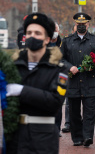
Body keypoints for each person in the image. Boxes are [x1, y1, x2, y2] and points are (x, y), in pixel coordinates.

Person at [6, 13, 68, 154]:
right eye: (29, 33)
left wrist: (22, 91)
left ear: (47, 39)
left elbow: (55, 101)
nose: (32, 36)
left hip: (43, 139)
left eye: (37, 33)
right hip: (14, 137)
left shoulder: (58, 69)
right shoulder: (14, 65)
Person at [60, 13, 95, 147]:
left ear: (88, 25)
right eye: (79, 24)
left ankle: (87, 136)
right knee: (74, 112)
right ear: (75, 25)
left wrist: (94, 65)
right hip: (74, 82)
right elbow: (61, 59)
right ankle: (77, 137)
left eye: (84, 24)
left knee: (89, 112)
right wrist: (70, 67)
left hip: (90, 81)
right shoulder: (67, 40)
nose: (81, 26)